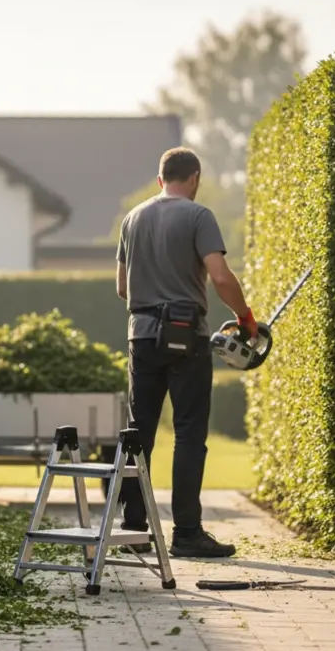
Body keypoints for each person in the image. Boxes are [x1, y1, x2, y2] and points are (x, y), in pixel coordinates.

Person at [114, 146, 257, 558]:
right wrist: (245, 318)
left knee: (139, 430)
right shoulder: (199, 216)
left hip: (141, 336)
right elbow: (220, 277)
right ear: (194, 178)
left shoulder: (132, 219)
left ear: (161, 180)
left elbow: (123, 288)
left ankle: (133, 528)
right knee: (189, 432)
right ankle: (187, 534)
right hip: (185, 335)